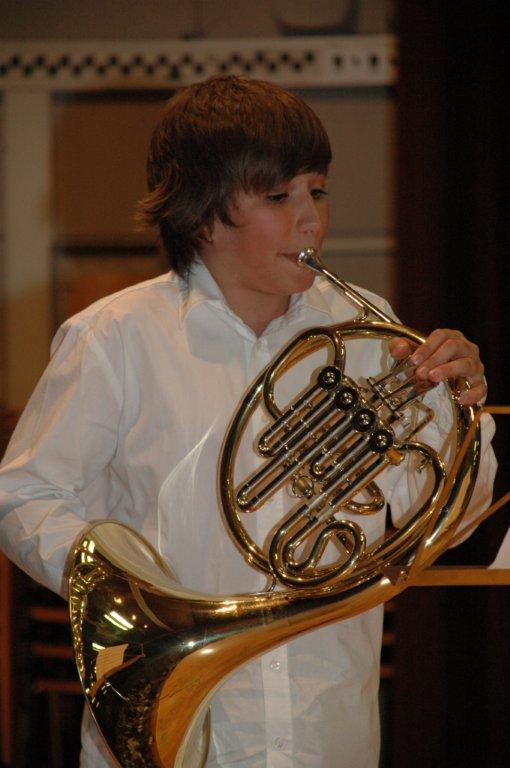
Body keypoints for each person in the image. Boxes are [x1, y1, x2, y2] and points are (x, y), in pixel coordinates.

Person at [0, 75, 496, 768]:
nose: (311, 220)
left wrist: (456, 409)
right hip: (176, 734)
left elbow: (453, 518)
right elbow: (25, 497)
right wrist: (127, 599)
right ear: (202, 213)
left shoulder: (369, 332)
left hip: (327, 731)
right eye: (278, 197)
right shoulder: (114, 338)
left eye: (317, 190)